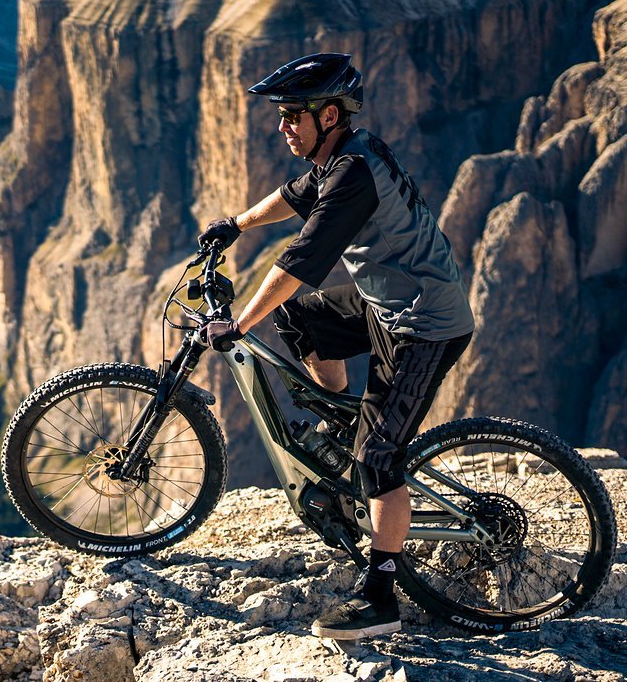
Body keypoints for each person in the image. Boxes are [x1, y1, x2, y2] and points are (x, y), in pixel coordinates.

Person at [197, 52, 474, 640]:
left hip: (422, 325)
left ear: (329, 115)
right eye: (282, 114)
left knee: (378, 460)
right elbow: (293, 196)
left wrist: (239, 325)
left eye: (293, 114)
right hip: (385, 306)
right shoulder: (338, 156)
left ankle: (379, 597)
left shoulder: (351, 176)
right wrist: (236, 224)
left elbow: (300, 262)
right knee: (302, 319)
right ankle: (346, 426)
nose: (283, 126)